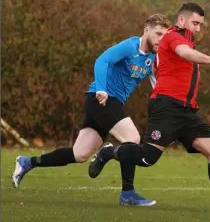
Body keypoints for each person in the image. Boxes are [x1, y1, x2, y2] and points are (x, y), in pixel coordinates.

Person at [88, 2, 210, 213]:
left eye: (201, 24)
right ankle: (110, 152)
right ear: (181, 20)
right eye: (195, 23)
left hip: (187, 110)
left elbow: (165, 67)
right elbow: (184, 53)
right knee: (146, 158)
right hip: (167, 107)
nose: (198, 28)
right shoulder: (174, 36)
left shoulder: (184, 42)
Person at [12, 14, 172, 206]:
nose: (160, 39)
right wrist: (102, 88)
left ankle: (28, 162)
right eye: (158, 34)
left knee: (79, 154)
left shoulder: (154, 58)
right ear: (146, 30)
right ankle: (127, 193)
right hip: (101, 100)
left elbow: (157, 83)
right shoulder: (130, 46)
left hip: (110, 104)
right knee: (132, 138)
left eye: (164, 36)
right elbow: (102, 60)